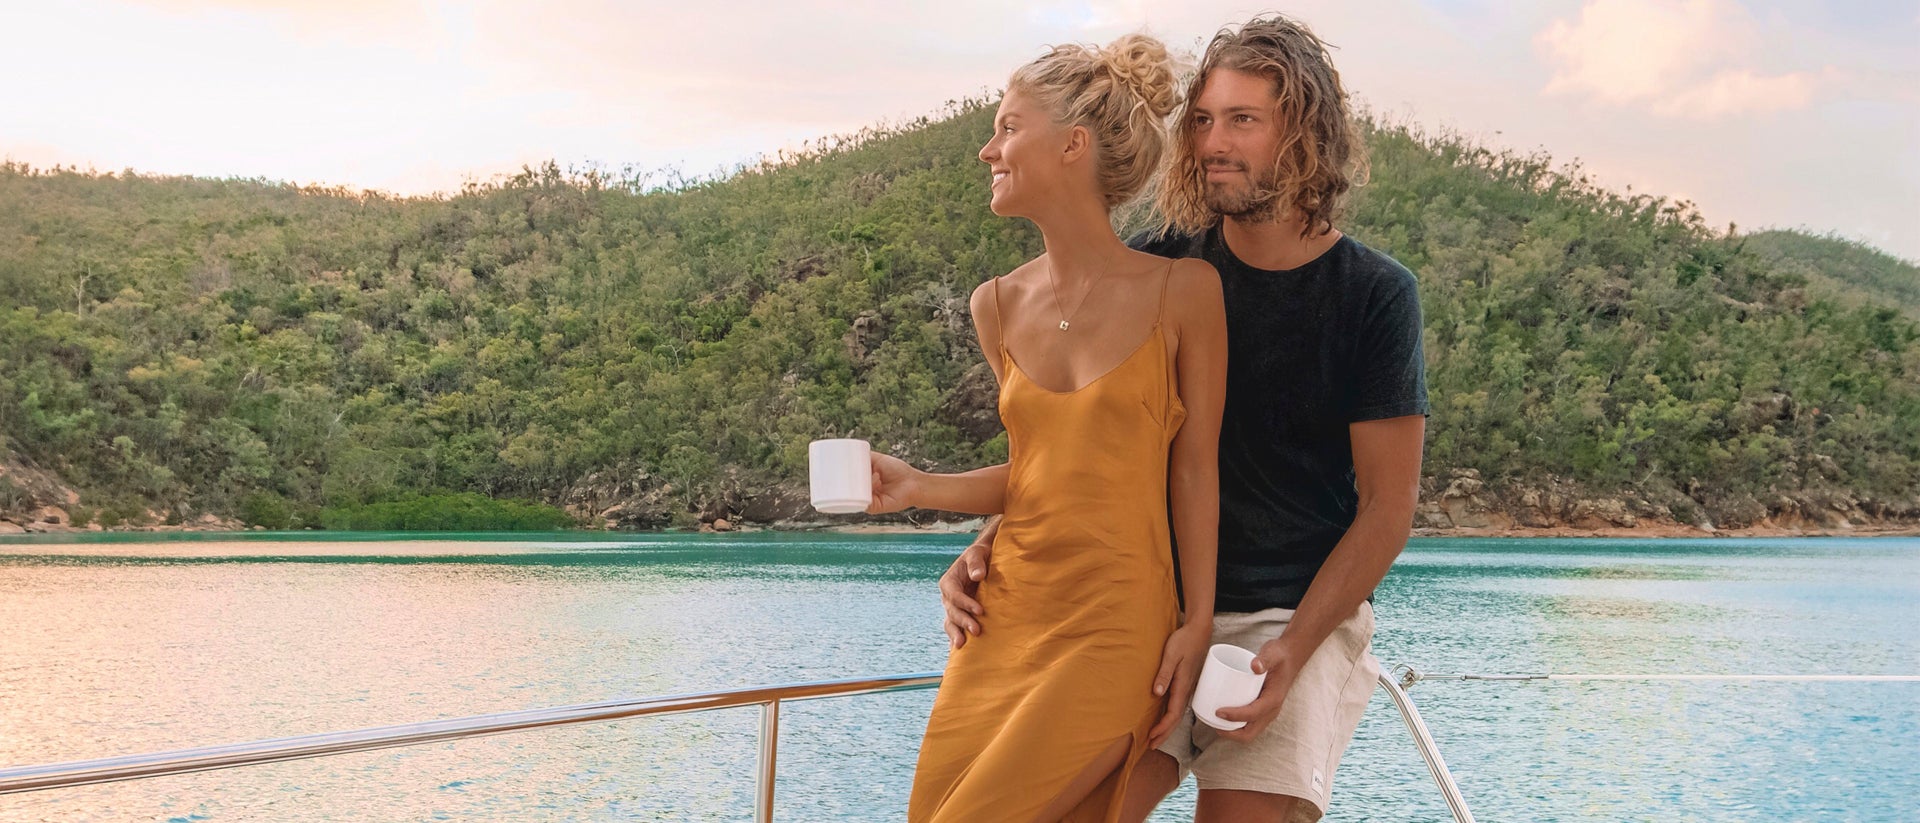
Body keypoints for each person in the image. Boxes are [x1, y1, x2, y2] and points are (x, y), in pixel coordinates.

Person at [939, 16, 1430, 823]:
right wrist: (989, 542)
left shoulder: (1373, 294)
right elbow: (1086, 451)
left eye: (1243, 120)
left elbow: (1387, 509)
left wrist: (1292, 648)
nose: (1212, 142)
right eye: (1202, 120)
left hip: (1286, 614)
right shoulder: (1162, 267)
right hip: (1150, 608)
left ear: (1305, 134)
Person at [864, 33, 1229, 823]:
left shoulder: (1185, 293)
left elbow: (1195, 471)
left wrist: (1195, 622)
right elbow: (1038, 473)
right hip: (1003, 619)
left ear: (1073, 145)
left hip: (1116, 621)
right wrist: (918, 488)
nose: (987, 148)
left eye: (1008, 126)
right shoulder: (994, 305)